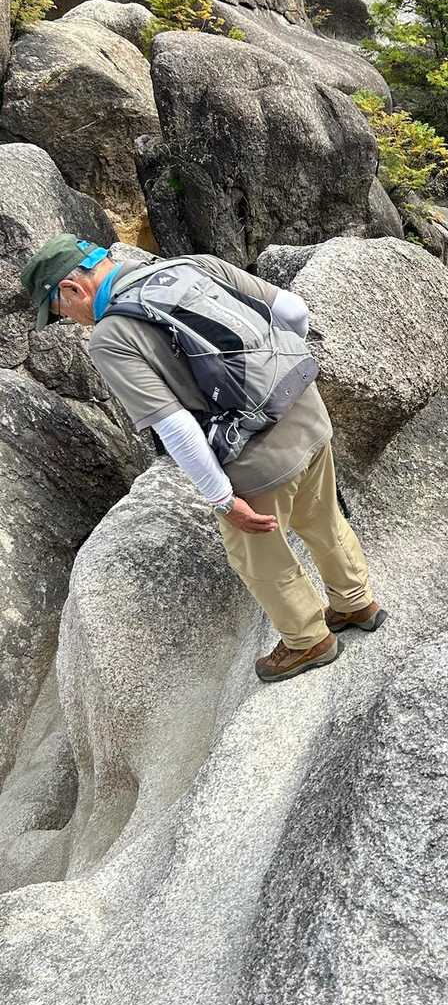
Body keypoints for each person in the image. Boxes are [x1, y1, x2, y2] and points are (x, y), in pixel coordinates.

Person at [20, 233, 387, 685]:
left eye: (60, 311)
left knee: (259, 555)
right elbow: (294, 311)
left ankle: (307, 640)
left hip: (256, 459)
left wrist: (223, 500)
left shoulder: (111, 337)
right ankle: (356, 604)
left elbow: (176, 427)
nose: (70, 320)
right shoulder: (192, 265)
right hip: (308, 413)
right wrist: (276, 384)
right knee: (322, 517)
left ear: (72, 288)